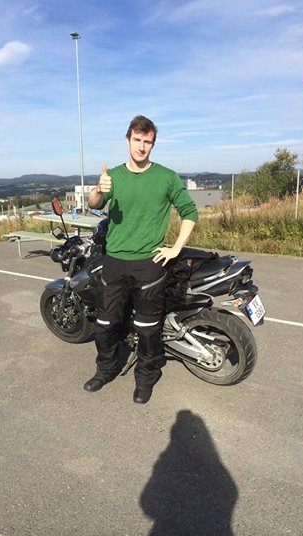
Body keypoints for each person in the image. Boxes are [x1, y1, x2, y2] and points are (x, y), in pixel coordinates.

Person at [84, 115, 198, 404]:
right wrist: (97, 190)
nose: (142, 146)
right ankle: (105, 369)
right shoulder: (114, 176)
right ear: (128, 140)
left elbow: (190, 212)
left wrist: (175, 248)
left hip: (150, 264)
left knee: (148, 329)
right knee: (105, 323)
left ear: (153, 144)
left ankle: (146, 377)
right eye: (137, 139)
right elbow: (93, 204)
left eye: (147, 141)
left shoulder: (166, 177)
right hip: (114, 261)